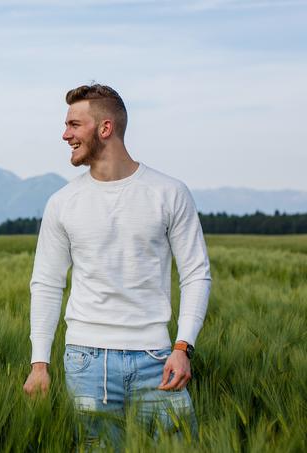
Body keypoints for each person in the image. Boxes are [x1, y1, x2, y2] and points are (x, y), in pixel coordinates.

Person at [22, 84, 211, 447]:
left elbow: (195, 273)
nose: (65, 134)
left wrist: (183, 346)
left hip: (159, 361)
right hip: (85, 362)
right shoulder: (63, 203)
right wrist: (39, 364)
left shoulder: (169, 193)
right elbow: (46, 283)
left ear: (105, 128)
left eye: (74, 125)